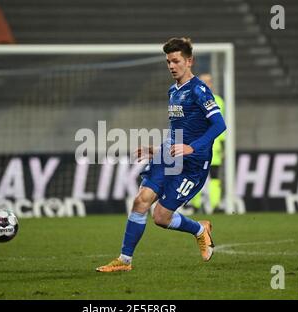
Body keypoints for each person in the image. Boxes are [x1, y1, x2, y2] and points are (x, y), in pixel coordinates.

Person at [96, 37, 226, 272]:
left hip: (192, 165)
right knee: (140, 201)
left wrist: (192, 148)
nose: (171, 66)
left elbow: (219, 125)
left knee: (161, 217)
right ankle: (124, 261)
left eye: (175, 61)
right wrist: (157, 149)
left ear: (189, 61)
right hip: (168, 157)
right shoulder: (172, 91)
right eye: (168, 62)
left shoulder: (200, 90)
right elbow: (177, 131)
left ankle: (199, 229)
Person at [190, 73, 226, 213]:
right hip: (198, 144)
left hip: (215, 145)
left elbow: (222, 124)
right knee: (196, 175)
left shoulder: (218, 100)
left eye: (209, 81)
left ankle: (215, 205)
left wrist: (223, 144)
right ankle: (195, 204)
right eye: (204, 81)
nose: (207, 84)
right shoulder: (192, 99)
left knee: (215, 177)